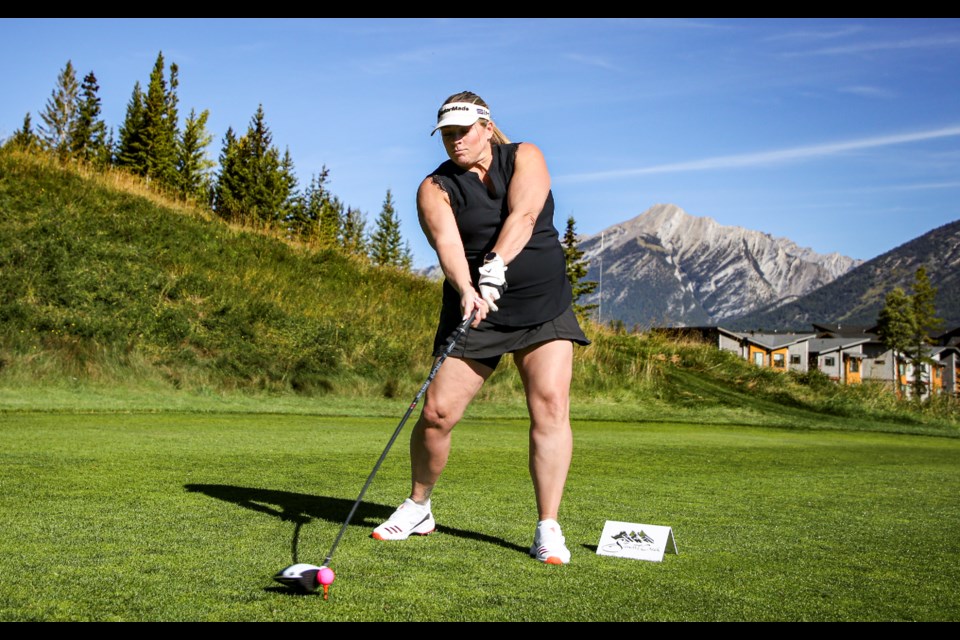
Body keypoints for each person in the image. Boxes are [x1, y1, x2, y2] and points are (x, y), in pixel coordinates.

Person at [371, 91, 590, 565]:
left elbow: (526, 214)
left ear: (486, 127)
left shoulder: (525, 156)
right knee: (437, 413)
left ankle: (548, 527)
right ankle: (419, 506)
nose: (454, 141)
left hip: (541, 303)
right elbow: (447, 245)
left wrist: (495, 265)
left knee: (550, 406)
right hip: (476, 307)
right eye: (446, 134)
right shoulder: (435, 187)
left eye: (462, 131)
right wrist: (469, 288)